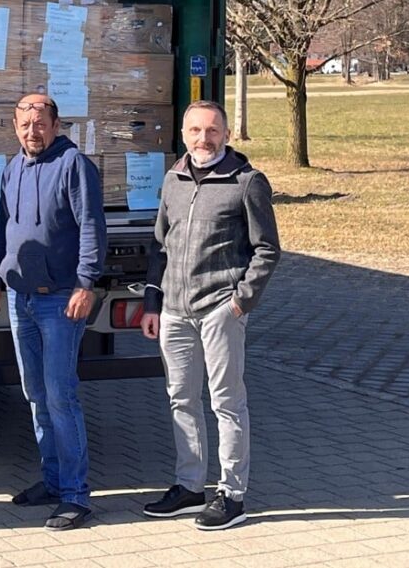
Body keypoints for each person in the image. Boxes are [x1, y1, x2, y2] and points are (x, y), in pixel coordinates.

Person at [140, 100, 280, 530]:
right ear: (184, 134)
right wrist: (153, 302)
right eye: (196, 130)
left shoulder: (247, 182)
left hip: (220, 309)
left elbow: (267, 249)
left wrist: (239, 303)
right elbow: (160, 245)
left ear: (227, 135)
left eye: (213, 131)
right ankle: (189, 487)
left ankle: (232, 494)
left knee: (226, 403)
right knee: (181, 399)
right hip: (174, 311)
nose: (204, 139)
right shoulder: (174, 179)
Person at [0, 93, 106, 532]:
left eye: (40, 123)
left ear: (55, 125)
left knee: (60, 395)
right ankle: (53, 481)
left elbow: (92, 225)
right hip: (21, 298)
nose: (32, 131)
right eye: (25, 124)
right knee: (35, 393)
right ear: (15, 127)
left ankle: (75, 495)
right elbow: (3, 228)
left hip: (60, 299)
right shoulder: (13, 167)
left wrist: (86, 283)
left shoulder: (74, 166)